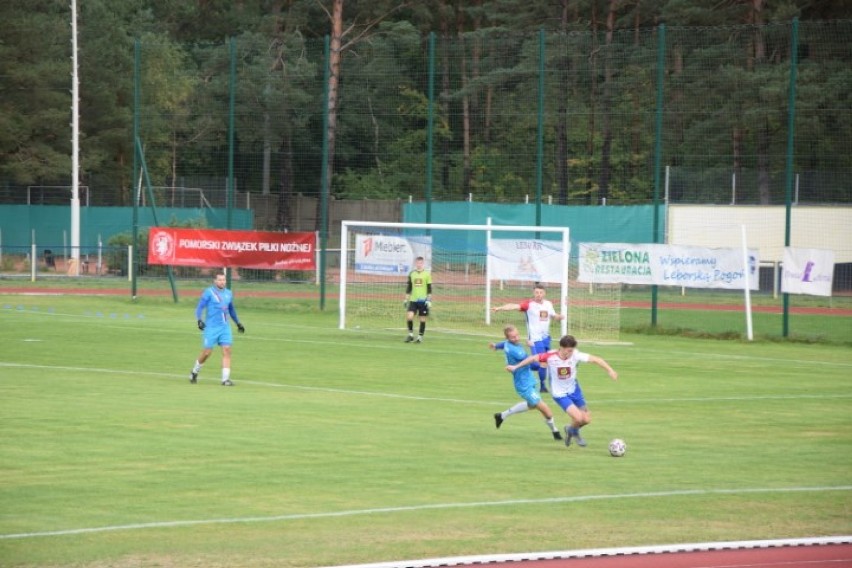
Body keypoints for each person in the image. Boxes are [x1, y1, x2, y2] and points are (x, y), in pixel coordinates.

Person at [518, 334, 617, 447]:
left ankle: (571, 430)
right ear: (562, 347)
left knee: (586, 419)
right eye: (569, 350)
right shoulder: (550, 356)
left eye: (572, 350)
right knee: (578, 418)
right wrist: (516, 367)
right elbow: (533, 358)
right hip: (560, 394)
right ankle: (574, 432)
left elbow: (596, 359)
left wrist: (610, 370)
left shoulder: (575, 355)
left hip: (575, 390)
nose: (571, 353)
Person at [489, 325, 563, 441]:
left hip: (528, 379)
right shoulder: (516, 351)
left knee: (532, 405)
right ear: (508, 338)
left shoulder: (508, 344)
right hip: (524, 385)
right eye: (513, 337)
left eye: (517, 335)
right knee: (546, 409)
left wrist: (496, 346)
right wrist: (533, 347)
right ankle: (556, 432)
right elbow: (534, 364)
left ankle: (501, 416)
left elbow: (504, 344)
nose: (517, 338)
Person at [491, 283, 566, 393]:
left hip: (546, 338)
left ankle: (531, 371)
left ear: (544, 293)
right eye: (536, 292)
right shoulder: (529, 305)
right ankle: (543, 386)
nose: (538, 295)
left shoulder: (548, 304)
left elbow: (553, 316)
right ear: (533, 293)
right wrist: (500, 308)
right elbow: (514, 306)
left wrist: (559, 317)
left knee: (546, 362)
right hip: (535, 339)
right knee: (542, 362)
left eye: (540, 292)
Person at [189, 272, 245, 386]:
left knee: (227, 350)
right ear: (215, 281)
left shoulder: (229, 293)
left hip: (225, 327)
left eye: (224, 280)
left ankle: (225, 380)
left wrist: (238, 323)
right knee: (207, 353)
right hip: (211, 328)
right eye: (220, 280)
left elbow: (231, 310)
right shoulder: (209, 292)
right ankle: (195, 371)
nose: (222, 282)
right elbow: (200, 307)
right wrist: (199, 319)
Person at [403, 256, 432, 343]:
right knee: (409, 316)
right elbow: (409, 287)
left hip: (423, 301)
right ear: (415, 263)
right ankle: (411, 335)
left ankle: (420, 337)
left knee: (422, 319)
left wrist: (429, 300)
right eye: (417, 263)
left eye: (420, 263)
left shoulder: (427, 274)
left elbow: (429, 288)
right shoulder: (412, 274)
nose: (419, 265)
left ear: (423, 263)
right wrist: (406, 299)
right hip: (413, 300)